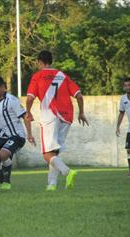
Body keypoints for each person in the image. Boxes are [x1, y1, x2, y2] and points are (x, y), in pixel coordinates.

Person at [26, 50, 89, 191]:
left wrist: (29, 112)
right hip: (67, 116)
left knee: (46, 154)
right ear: (51, 61)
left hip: (49, 115)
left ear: (40, 62)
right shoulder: (63, 76)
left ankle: (67, 171)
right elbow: (79, 96)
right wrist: (82, 112)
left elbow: (30, 98)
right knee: (54, 152)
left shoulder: (38, 76)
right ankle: (52, 184)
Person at [0, 76, 36, 190]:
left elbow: (26, 117)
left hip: (17, 135)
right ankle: (2, 183)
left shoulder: (12, 100)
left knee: (3, 154)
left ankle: (6, 183)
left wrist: (29, 134)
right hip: (1, 136)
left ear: (3, 87)